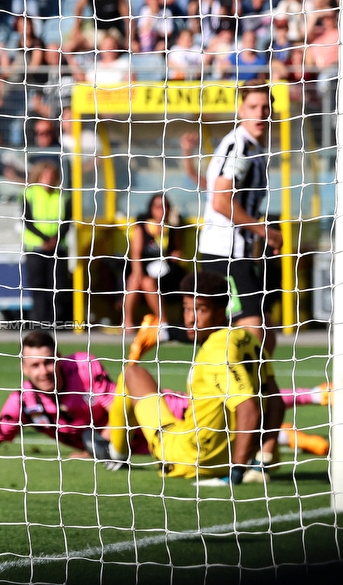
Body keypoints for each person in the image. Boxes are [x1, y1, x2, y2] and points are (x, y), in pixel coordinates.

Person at [107, 270, 285, 483]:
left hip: (190, 458)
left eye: (200, 310)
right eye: (186, 309)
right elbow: (276, 401)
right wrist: (261, 459)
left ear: (221, 311)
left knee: (131, 373)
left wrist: (235, 473)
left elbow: (248, 408)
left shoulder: (215, 351)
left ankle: (115, 452)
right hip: (236, 453)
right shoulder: (247, 337)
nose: (190, 318)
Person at [180, 83, 282, 356]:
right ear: (240, 110)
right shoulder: (240, 147)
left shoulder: (250, 147)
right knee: (253, 334)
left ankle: (250, 393)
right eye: (253, 107)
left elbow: (215, 190)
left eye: (265, 108)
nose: (260, 113)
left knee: (264, 336)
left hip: (239, 253)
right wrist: (264, 231)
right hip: (225, 253)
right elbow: (221, 201)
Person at [0, 330, 154, 461]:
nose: (44, 371)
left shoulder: (83, 368)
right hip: (144, 450)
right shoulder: (23, 402)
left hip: (164, 413)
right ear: (24, 369)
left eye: (48, 362)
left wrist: (96, 449)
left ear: (59, 359)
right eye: (35, 365)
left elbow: (122, 410)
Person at [121, 192, 186, 331]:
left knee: (147, 282)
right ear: (151, 208)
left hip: (168, 273)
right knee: (135, 281)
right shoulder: (142, 227)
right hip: (146, 271)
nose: (161, 210)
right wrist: (137, 273)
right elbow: (135, 254)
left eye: (165, 207)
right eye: (157, 207)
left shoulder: (173, 228)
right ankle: (128, 321)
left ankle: (163, 322)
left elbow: (178, 250)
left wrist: (176, 254)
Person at [23, 160, 72, 327]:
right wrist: (45, 239)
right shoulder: (29, 194)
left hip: (58, 247)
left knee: (57, 285)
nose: (48, 179)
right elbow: (28, 221)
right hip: (36, 248)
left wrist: (55, 239)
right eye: (45, 175)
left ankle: (55, 322)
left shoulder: (63, 196)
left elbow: (67, 222)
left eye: (51, 176)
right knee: (38, 285)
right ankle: (39, 321)